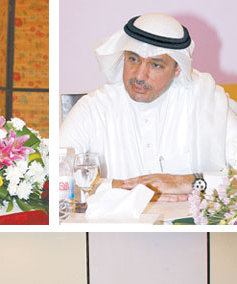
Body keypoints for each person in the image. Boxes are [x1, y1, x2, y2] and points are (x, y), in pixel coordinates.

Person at [60, 13, 237, 198]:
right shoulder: (93, 108)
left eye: (155, 65)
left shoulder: (206, 104)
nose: (139, 75)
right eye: (133, 59)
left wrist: (187, 181)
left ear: (177, 69)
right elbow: (53, 175)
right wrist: (128, 189)